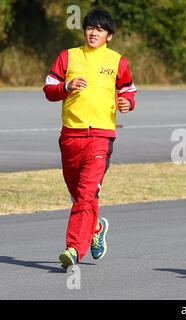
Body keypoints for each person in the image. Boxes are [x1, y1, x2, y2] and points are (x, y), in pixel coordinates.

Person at [43, 8, 137, 269]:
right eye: (90, 27)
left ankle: (73, 249)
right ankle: (96, 227)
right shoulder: (68, 56)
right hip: (70, 136)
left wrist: (127, 102)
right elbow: (49, 89)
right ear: (84, 30)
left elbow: (128, 90)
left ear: (110, 36)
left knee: (86, 194)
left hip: (100, 135)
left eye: (100, 29)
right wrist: (66, 86)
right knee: (78, 195)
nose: (94, 32)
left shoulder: (118, 61)